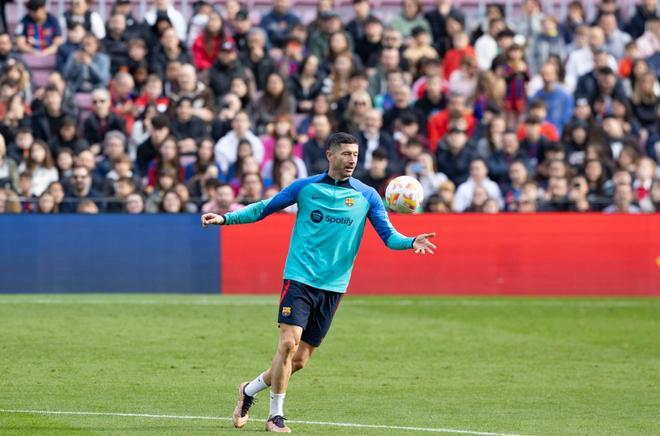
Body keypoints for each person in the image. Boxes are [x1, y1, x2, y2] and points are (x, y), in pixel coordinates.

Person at [201, 132, 436, 433]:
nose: (352, 159)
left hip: (333, 286)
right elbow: (263, 208)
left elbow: (389, 237)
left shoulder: (367, 196)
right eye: (346, 153)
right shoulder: (306, 187)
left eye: (355, 154)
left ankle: (248, 391)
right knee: (287, 344)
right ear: (330, 154)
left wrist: (411, 241)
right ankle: (276, 416)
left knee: (298, 361)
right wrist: (225, 219)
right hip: (299, 278)